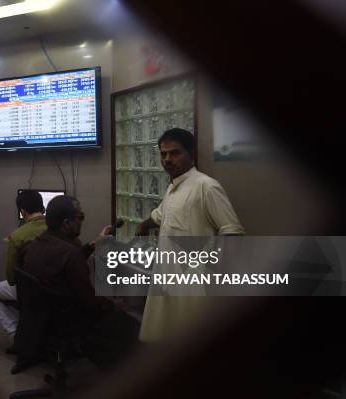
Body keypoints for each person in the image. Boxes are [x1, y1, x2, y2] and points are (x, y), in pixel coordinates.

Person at [135, 128, 245, 342]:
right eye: (163, 154)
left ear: (191, 154)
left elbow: (232, 231)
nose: (167, 159)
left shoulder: (206, 186)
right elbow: (160, 215)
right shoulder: (173, 188)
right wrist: (144, 225)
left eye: (175, 153)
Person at [18, 195, 140, 370]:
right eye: (80, 217)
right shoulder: (71, 254)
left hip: (42, 320)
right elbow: (90, 303)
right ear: (67, 224)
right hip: (70, 323)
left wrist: (92, 245)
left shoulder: (36, 245)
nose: (82, 222)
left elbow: (61, 263)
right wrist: (113, 304)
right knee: (132, 325)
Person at [0, 190, 47, 344]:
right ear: (43, 208)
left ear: (22, 211)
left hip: (30, 291)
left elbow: (11, 278)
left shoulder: (18, 235)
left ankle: (15, 333)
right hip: (56, 289)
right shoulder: (57, 229)